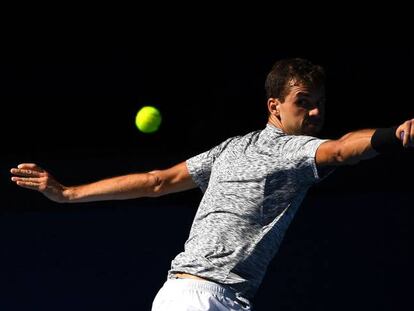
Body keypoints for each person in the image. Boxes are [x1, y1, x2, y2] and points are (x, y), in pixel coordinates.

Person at [10, 58, 413, 311]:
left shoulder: (230, 148)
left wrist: (68, 194)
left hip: (181, 297)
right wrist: (394, 134)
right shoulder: (289, 150)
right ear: (274, 105)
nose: (314, 111)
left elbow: (156, 182)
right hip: (206, 299)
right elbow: (343, 150)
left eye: (320, 103)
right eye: (303, 101)